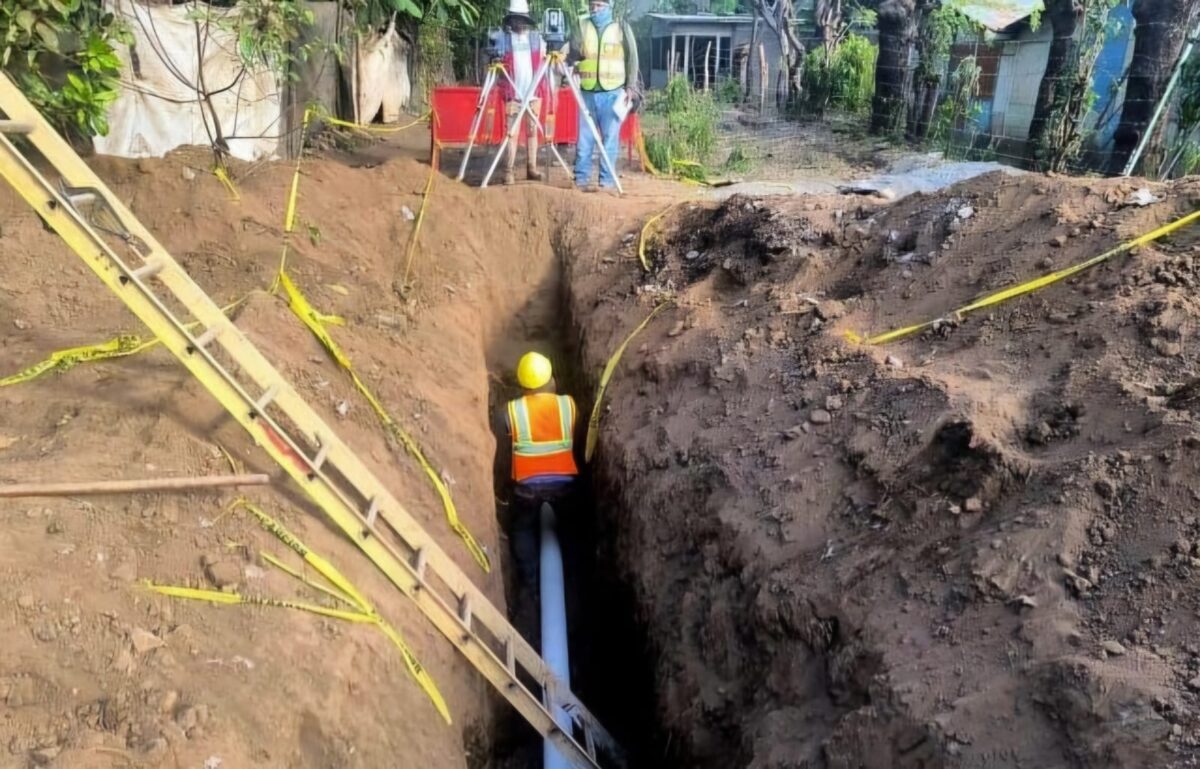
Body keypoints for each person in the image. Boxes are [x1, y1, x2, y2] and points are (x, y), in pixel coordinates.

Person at [501, 352, 579, 632]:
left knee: (522, 529)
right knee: (569, 528)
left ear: (523, 386)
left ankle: (532, 581)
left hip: (526, 490)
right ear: (552, 381)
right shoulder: (568, 406)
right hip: (564, 487)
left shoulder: (513, 410)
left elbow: (504, 436)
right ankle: (571, 570)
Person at [571, 0, 640, 192]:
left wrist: (630, 86)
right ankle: (581, 180)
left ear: (609, 7)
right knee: (584, 139)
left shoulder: (621, 27)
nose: (595, 10)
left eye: (600, 6)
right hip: (587, 92)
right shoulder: (581, 25)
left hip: (612, 92)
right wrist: (572, 65)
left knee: (610, 139)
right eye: (593, 6)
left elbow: (632, 57)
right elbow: (573, 54)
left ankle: (606, 182)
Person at [496, 0, 548, 185]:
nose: (517, 23)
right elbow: (498, 63)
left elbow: (544, 61)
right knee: (512, 132)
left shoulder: (536, 38)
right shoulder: (504, 39)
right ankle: (508, 171)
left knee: (533, 132)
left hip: (533, 93)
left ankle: (531, 168)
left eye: (520, 19)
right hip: (513, 92)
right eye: (514, 19)